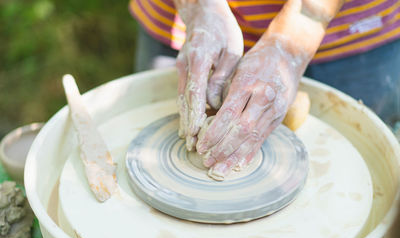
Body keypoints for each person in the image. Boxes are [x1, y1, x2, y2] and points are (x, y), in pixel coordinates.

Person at [130, 0, 400, 178]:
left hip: (350, 30)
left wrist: (294, 38)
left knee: (357, 174)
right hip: (188, 22)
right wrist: (199, 7)